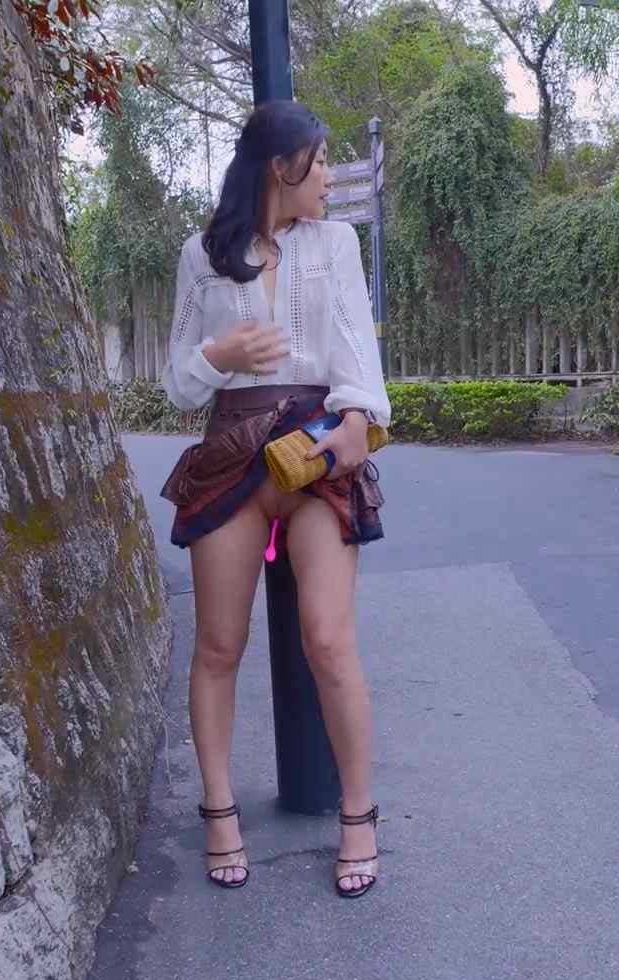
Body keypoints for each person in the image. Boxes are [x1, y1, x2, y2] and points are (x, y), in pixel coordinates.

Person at [158, 100, 392, 899]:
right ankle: (219, 811)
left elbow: (357, 351)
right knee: (218, 647)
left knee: (328, 640)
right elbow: (178, 384)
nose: (327, 175)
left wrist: (358, 419)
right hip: (230, 453)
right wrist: (219, 354)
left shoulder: (337, 243)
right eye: (317, 161)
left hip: (315, 450)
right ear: (278, 167)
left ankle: (358, 816)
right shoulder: (203, 255)